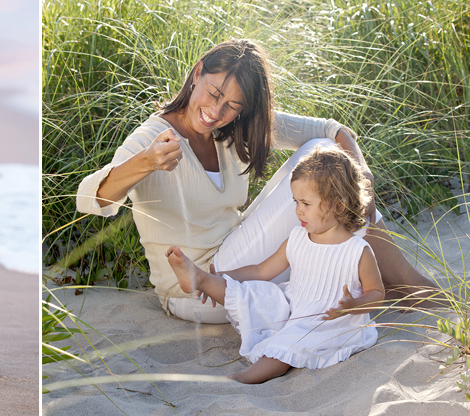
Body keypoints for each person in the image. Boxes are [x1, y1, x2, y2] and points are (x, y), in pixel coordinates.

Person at [76, 38, 438, 324]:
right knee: (324, 158)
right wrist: (145, 162)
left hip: (244, 260)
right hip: (197, 289)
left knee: (325, 150)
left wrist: (365, 182)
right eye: (215, 93)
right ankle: (409, 285)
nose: (217, 112)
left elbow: (335, 130)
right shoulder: (153, 137)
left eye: (233, 105)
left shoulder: (234, 127)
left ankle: (392, 283)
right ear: (197, 72)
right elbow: (90, 199)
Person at [167, 146, 385, 384]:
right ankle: (203, 279)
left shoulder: (357, 251)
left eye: (306, 203)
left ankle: (245, 378)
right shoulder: (297, 238)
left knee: (290, 342)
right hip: (293, 305)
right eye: (296, 201)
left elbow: (377, 293)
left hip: (328, 322)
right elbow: (261, 271)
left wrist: (353, 305)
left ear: (339, 206)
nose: (298, 210)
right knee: (257, 295)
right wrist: (223, 275)